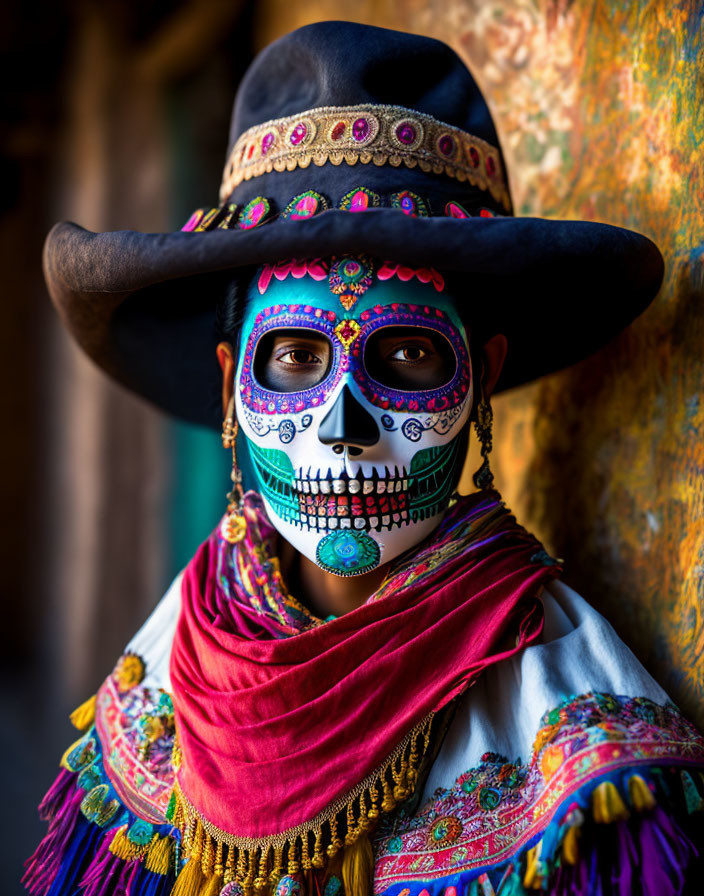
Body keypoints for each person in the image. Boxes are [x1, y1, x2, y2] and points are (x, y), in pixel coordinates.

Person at [25, 21, 704, 896]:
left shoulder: (567, 723)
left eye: (410, 356)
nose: (346, 425)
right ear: (233, 385)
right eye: (296, 357)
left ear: (482, 380)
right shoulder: (175, 657)